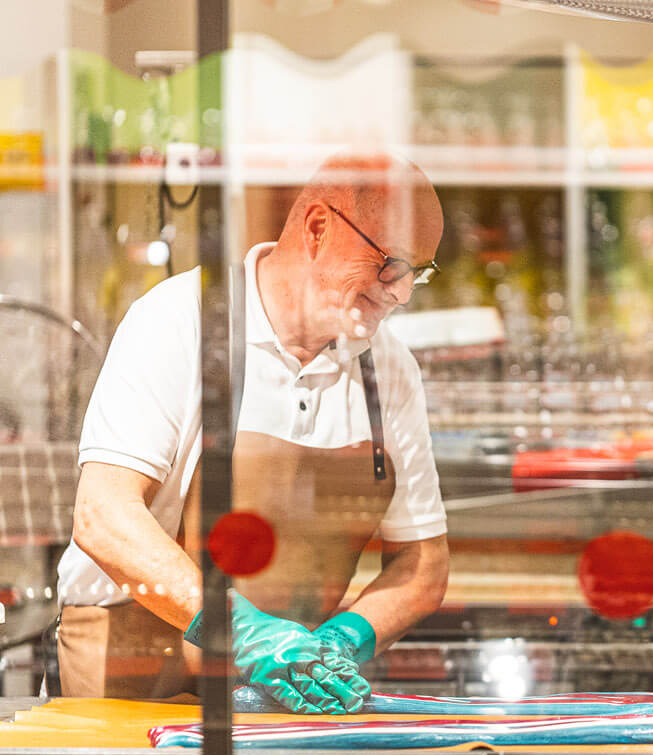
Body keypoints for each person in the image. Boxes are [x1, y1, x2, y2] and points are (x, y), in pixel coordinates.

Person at [56, 152, 450, 713]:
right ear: (318, 227)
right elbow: (104, 516)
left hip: (282, 706)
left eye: (419, 272)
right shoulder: (180, 321)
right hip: (136, 691)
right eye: (391, 263)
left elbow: (424, 564)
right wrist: (241, 628)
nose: (402, 292)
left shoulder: (387, 367)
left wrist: (342, 639)